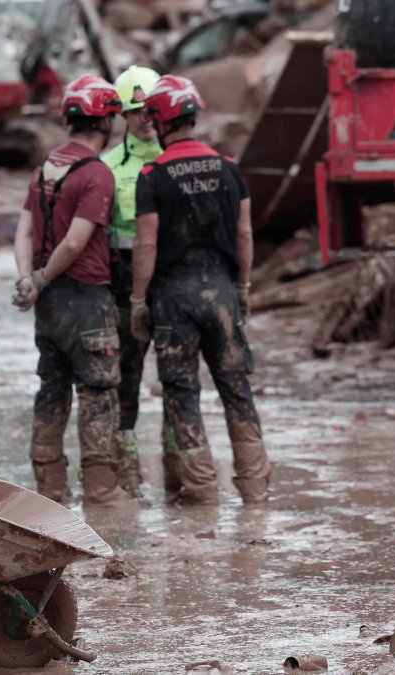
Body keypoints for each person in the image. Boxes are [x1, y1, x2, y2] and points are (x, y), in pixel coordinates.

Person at [129, 75, 271, 505]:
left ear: (159, 120)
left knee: (182, 393)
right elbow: (245, 234)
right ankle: (255, 490)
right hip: (223, 293)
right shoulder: (230, 168)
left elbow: (147, 243)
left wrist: (138, 300)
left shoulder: (152, 175)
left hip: (174, 299)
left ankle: (204, 493)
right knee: (236, 387)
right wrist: (242, 287)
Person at [10, 75, 132, 508]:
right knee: (98, 393)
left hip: (49, 306)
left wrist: (29, 280)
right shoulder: (97, 174)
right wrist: (41, 279)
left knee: (52, 389)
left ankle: (50, 495)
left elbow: (23, 230)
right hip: (85, 299)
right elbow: (77, 241)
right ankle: (101, 492)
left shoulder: (45, 167)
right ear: (107, 121)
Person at [101, 66, 163, 497]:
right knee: (127, 376)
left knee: (179, 377)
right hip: (122, 283)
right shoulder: (106, 166)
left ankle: (184, 475)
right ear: (123, 114)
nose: (145, 118)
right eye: (136, 111)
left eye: (152, 110)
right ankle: (127, 473)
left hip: (171, 280)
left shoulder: (175, 158)